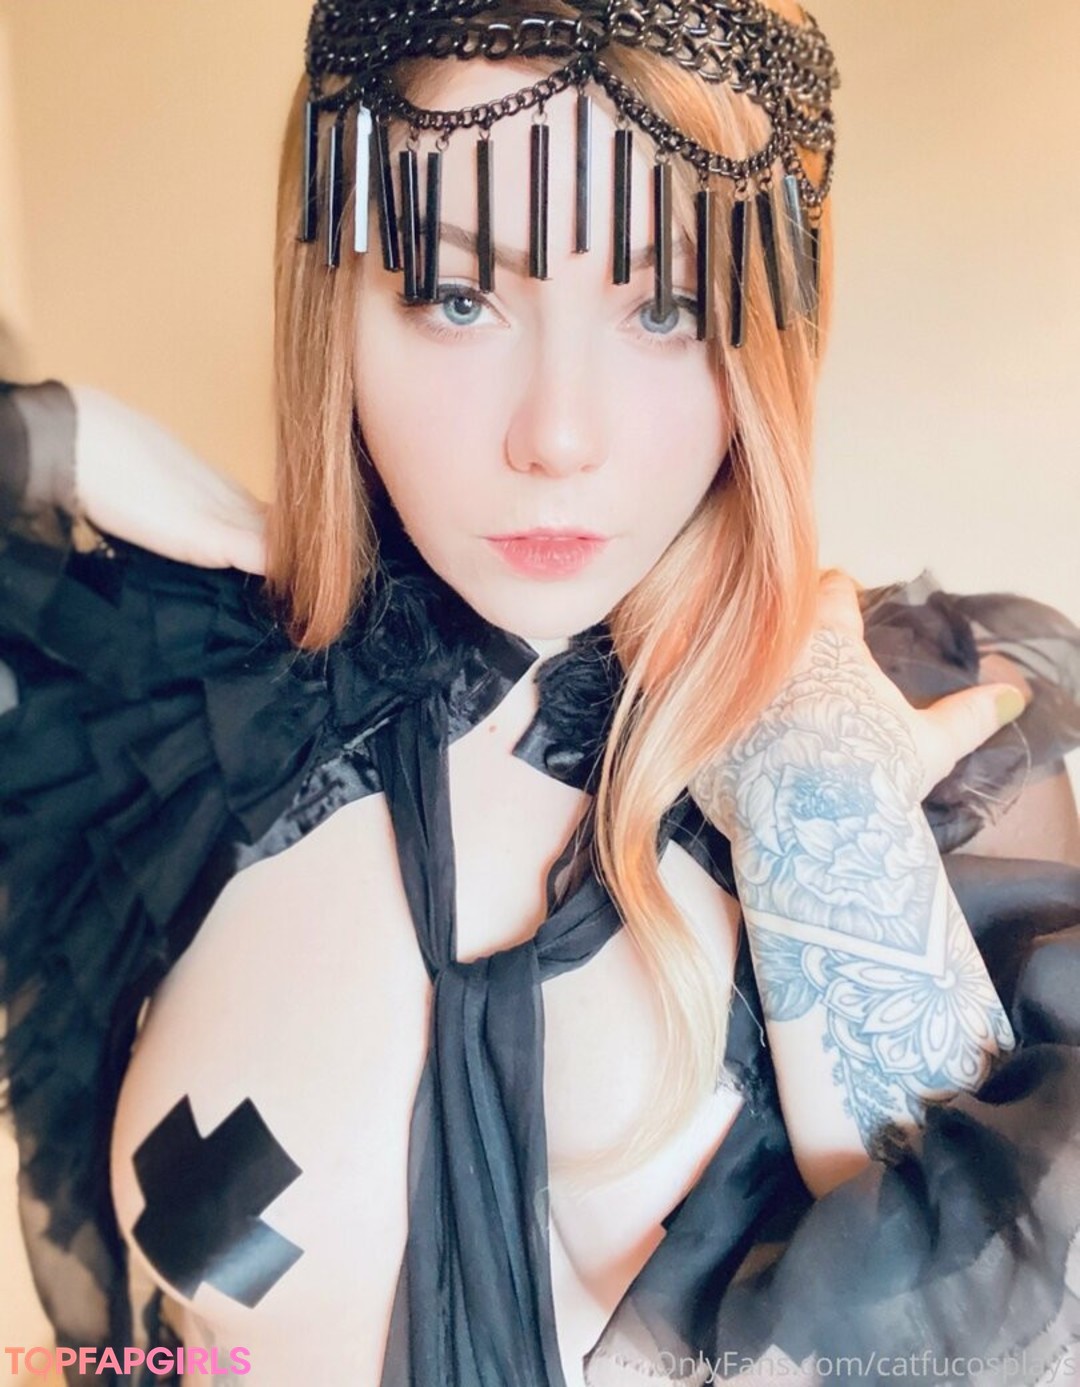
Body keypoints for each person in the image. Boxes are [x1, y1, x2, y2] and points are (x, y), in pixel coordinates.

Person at [2, 2, 1080, 1384]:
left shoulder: (922, 751)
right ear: (334, 302)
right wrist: (68, 445)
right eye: (459, 298)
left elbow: (994, 1352)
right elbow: (163, 1354)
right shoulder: (195, 702)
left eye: (667, 307)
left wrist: (820, 810)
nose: (558, 438)